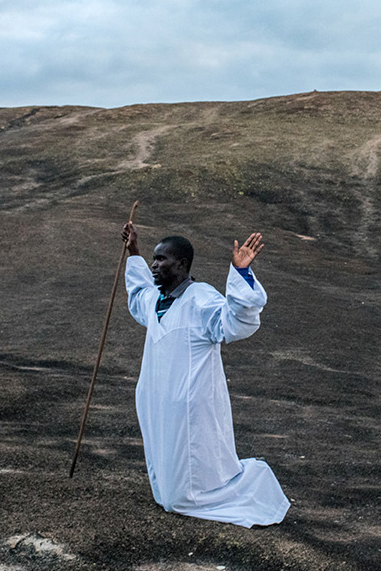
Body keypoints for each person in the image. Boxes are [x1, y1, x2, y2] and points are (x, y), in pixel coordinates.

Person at [119, 221, 289, 527]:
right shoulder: (156, 300)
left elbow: (232, 323)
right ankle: (173, 493)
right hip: (157, 401)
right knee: (166, 482)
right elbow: (138, 293)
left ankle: (228, 490)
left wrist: (240, 273)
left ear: (181, 264)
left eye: (161, 259)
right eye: (153, 259)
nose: (154, 265)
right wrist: (133, 250)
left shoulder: (200, 298)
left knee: (182, 490)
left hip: (189, 403)